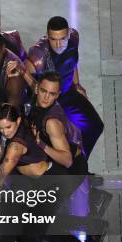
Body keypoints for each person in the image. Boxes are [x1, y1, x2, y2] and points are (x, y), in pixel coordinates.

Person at [0, 103, 82, 242]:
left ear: (18, 121)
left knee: (30, 226)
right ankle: (66, 241)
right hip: (36, 184)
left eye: (8, 127)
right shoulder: (10, 135)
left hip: (52, 182)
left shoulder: (16, 145)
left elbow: (1, 174)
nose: (4, 132)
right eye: (1, 128)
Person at [27, 72, 112, 242]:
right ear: (37, 89)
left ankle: (93, 229)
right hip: (61, 164)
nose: (46, 97)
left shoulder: (51, 122)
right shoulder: (36, 102)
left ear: (58, 95)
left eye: (52, 94)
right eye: (43, 91)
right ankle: (92, 199)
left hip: (72, 167)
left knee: (51, 209)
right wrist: (22, 72)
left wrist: (41, 145)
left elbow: (66, 160)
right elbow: (32, 82)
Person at [25, 16, 104, 157]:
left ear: (68, 34)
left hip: (68, 92)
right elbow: (28, 81)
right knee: (67, 137)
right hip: (50, 101)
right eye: (53, 39)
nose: (58, 44)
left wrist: (76, 83)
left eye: (62, 38)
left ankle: (81, 164)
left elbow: (72, 61)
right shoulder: (38, 55)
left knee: (95, 126)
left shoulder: (74, 37)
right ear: (47, 36)